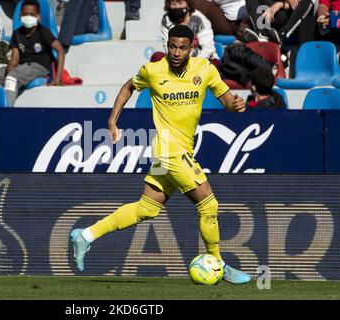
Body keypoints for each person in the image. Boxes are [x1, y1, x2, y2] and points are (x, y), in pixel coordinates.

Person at [70, 25, 251, 285]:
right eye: (172, 46)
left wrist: (236, 105)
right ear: (167, 45)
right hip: (168, 150)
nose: (176, 52)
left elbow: (227, 101)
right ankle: (218, 265)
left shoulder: (205, 70)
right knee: (209, 204)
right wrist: (112, 120)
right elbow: (127, 88)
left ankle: (85, 235)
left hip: (181, 150)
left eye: (182, 47)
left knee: (146, 208)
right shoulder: (153, 71)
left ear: (192, 47)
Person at [1, 0, 65, 106]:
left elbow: (60, 50)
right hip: (22, 67)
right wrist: (9, 67)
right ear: (20, 16)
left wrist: (58, 78)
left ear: (38, 18)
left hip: (40, 67)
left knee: (12, 77)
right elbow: (15, 59)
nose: (28, 17)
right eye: (25, 14)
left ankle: (7, 112)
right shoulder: (17, 34)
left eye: (32, 14)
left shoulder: (44, 32)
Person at [243, 0, 315, 44]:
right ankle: (261, 34)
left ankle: (282, 35)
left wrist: (280, 4)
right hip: (269, 14)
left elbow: (298, 3)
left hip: (290, 18)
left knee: (307, 2)